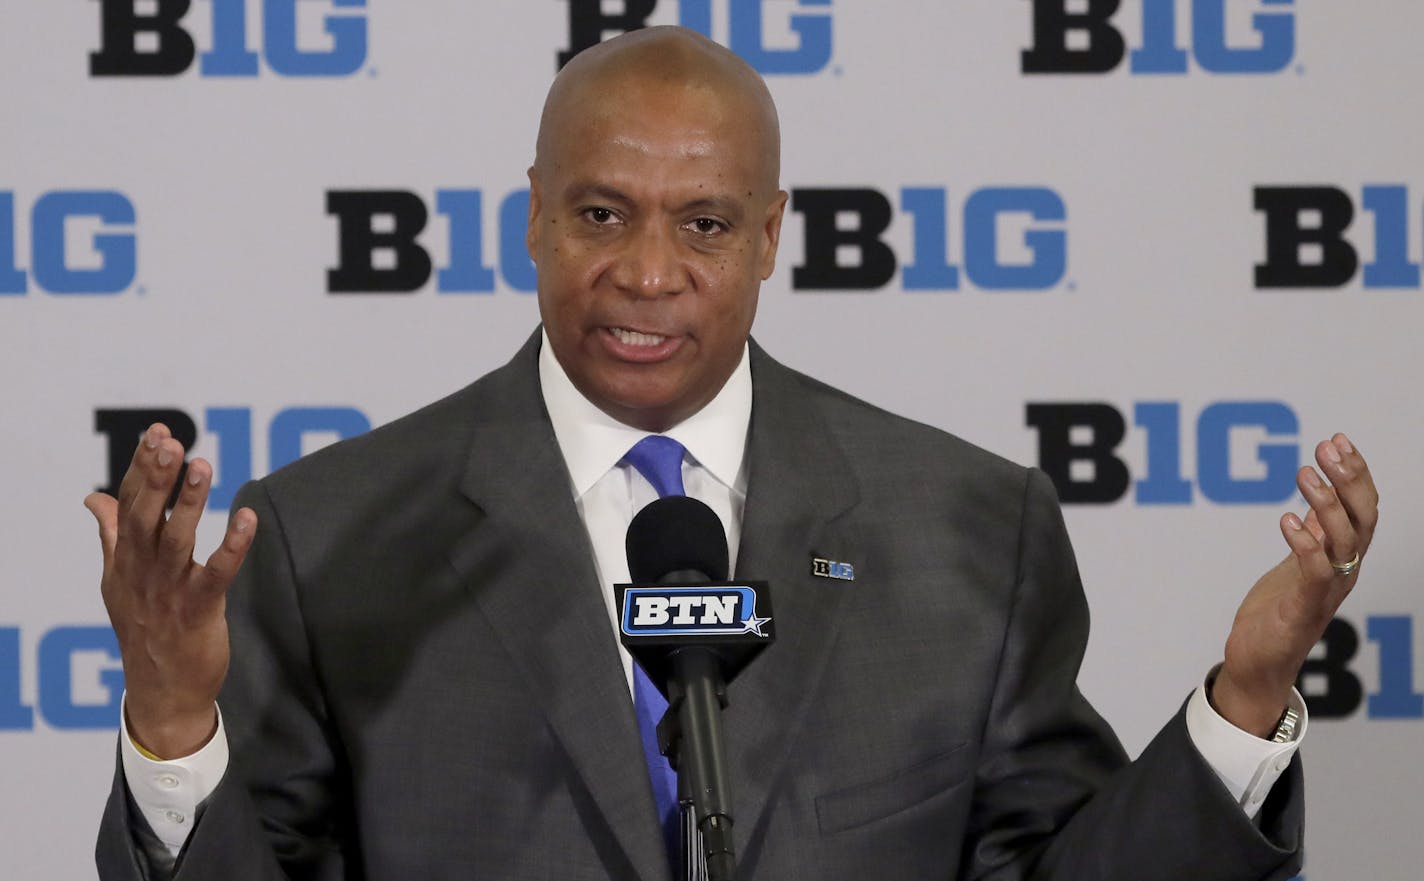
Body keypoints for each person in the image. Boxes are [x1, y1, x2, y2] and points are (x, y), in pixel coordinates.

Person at [87, 26, 1378, 881]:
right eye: (601, 213)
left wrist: (1243, 705)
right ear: (532, 217)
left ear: (770, 236)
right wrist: (170, 717)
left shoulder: (973, 534)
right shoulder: (334, 539)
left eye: (703, 224)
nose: (647, 274)